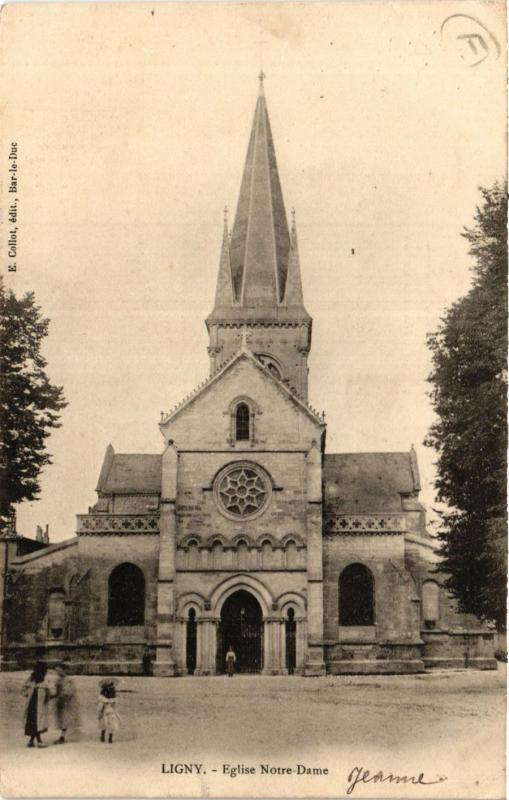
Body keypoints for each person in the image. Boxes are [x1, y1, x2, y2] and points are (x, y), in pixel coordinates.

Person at [22, 661, 50, 748]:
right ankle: (39, 741)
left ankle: (31, 741)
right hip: (35, 704)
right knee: (36, 722)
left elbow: (23, 689)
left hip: (34, 704)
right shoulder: (37, 680)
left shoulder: (34, 678)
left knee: (34, 722)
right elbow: (24, 689)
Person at [53, 662, 80, 744]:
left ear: (64, 670)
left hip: (68, 702)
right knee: (62, 719)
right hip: (61, 702)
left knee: (65, 719)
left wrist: (61, 695)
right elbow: (57, 692)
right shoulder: (57, 680)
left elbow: (70, 692)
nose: (58, 672)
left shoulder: (69, 680)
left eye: (59, 670)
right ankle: (65, 735)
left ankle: (62, 736)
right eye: (57, 671)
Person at [98, 679, 120, 744]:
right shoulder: (114, 699)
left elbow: (101, 706)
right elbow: (115, 705)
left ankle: (102, 736)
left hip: (104, 711)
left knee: (103, 724)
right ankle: (110, 738)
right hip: (111, 711)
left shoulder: (102, 698)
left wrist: (100, 712)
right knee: (111, 724)